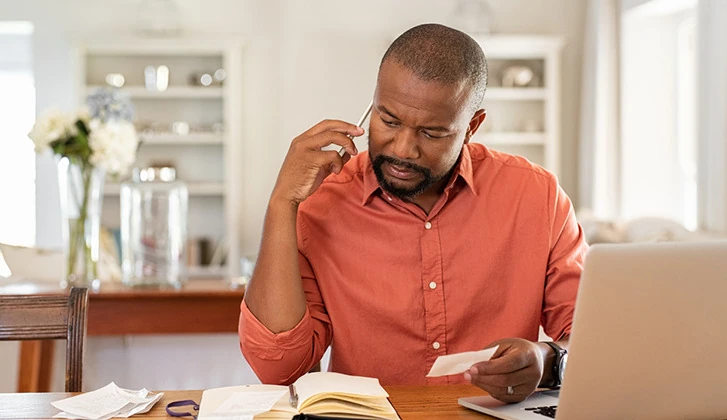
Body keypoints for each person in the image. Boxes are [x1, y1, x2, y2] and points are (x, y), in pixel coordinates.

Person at [239, 23, 587, 403]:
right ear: (371, 104)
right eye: (388, 120)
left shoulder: (537, 196)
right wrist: (281, 203)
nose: (403, 149)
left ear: (471, 127)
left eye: (433, 132)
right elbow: (278, 369)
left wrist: (547, 358)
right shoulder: (322, 201)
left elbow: (593, 340)